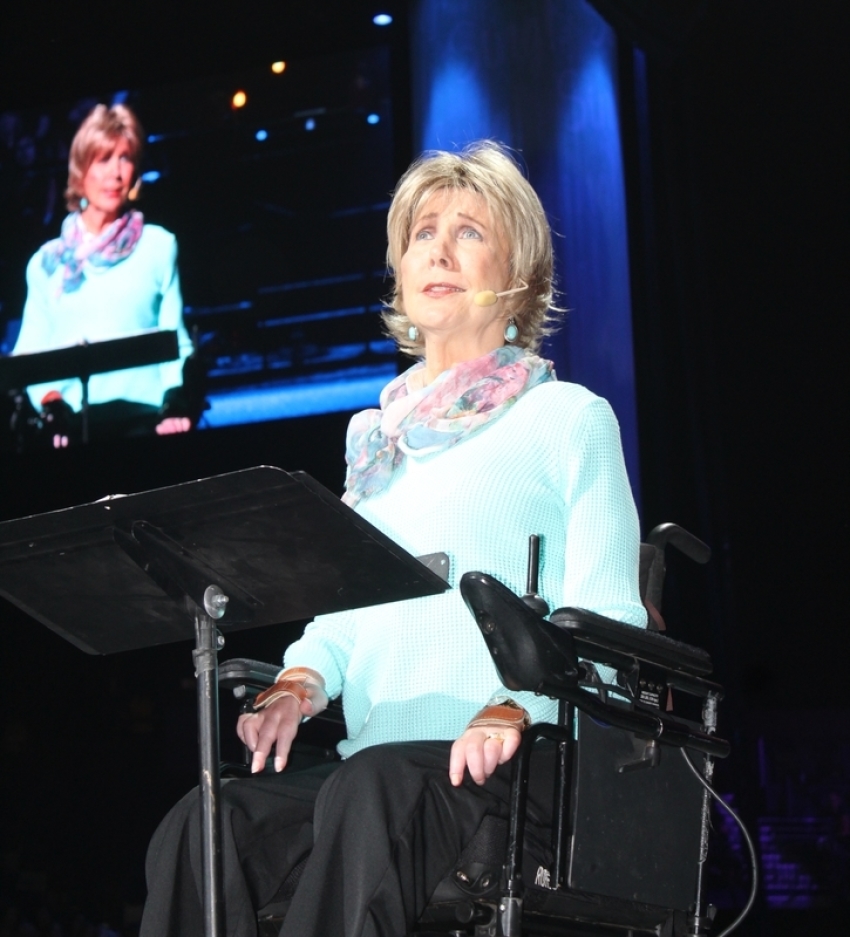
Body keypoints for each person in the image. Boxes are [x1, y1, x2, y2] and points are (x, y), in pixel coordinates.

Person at [140, 141, 646, 937]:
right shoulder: (378, 440)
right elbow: (346, 614)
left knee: (368, 789)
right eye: (422, 232)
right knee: (205, 825)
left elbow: (611, 615)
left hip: (510, 769)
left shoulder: (569, 419)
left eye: (469, 232)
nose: (438, 249)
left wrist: (520, 703)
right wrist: (301, 679)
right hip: (375, 776)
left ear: (519, 277)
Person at [10, 103, 195, 441]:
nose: (116, 173)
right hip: (73, 431)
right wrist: (53, 405)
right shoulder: (47, 264)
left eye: (125, 158)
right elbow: (30, 354)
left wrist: (175, 404)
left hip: (148, 422)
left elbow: (176, 339)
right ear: (80, 172)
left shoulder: (158, 246)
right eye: (103, 159)